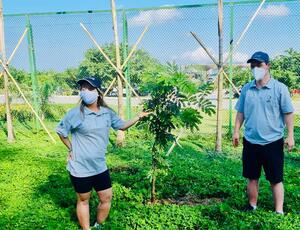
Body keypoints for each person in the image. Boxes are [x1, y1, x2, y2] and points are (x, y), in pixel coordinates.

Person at [56, 77, 149, 230]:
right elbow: (62, 132)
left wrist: (138, 117)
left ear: (98, 92)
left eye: (89, 88)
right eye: (82, 88)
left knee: (106, 198)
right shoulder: (74, 114)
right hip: (80, 167)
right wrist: (71, 148)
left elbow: (122, 126)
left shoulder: (107, 113)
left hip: (99, 166)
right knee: (83, 200)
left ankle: (98, 225)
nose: (85, 92)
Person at [232, 51, 294, 214]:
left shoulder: (280, 89)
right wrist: (236, 131)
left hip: (272, 142)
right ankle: (252, 205)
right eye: (253, 66)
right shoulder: (247, 89)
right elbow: (241, 112)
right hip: (251, 141)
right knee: (252, 177)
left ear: (268, 66)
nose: (255, 68)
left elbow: (288, 113)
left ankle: (279, 210)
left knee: (276, 179)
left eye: (258, 65)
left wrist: (290, 135)